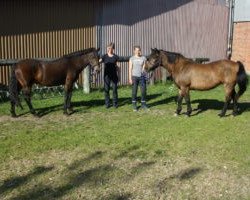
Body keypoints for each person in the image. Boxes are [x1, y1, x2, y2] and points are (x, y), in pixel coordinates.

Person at [99, 43, 120, 108]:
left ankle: (115, 104)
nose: (109, 49)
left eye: (110, 48)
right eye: (108, 48)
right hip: (106, 76)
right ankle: (107, 104)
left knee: (114, 90)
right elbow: (98, 62)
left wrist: (119, 76)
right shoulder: (104, 56)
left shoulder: (116, 57)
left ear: (113, 49)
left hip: (114, 76)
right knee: (106, 89)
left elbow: (118, 67)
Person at [129, 46, 149, 111]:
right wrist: (130, 78)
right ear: (134, 51)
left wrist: (145, 75)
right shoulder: (132, 58)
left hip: (142, 77)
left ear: (140, 50)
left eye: (139, 50)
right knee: (134, 91)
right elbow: (130, 69)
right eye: (136, 50)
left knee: (143, 91)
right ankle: (134, 105)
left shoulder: (143, 58)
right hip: (134, 77)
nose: (138, 51)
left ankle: (143, 104)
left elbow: (144, 67)